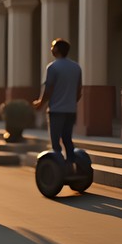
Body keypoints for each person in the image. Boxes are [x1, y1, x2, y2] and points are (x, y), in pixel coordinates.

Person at [32, 38, 83, 166]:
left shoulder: (52, 67)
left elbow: (48, 90)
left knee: (55, 141)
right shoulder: (76, 67)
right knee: (67, 139)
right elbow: (78, 91)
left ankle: (58, 167)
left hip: (56, 110)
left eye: (53, 46)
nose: (51, 49)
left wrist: (40, 103)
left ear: (57, 50)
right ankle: (71, 164)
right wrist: (71, 102)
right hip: (70, 110)